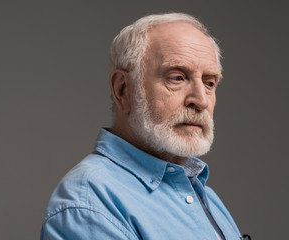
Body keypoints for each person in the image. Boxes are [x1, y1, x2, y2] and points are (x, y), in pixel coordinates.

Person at [40, 13, 242, 240]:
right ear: (123, 90)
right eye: (177, 77)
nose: (201, 100)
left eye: (209, 82)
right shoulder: (90, 203)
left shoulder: (202, 194)